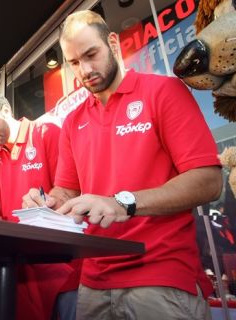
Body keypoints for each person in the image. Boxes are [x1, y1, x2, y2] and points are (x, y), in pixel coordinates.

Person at [22, 10, 222, 320]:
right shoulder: (73, 122)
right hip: (93, 280)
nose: (85, 70)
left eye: (91, 54)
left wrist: (123, 203)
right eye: (74, 63)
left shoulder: (163, 91)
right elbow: (67, 191)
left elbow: (208, 181)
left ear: (113, 43)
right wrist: (46, 203)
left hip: (160, 275)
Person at [0, 88, 80, 320]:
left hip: (59, 262)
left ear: (6, 110)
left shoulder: (47, 133)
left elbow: (70, 190)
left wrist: (48, 203)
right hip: (18, 267)